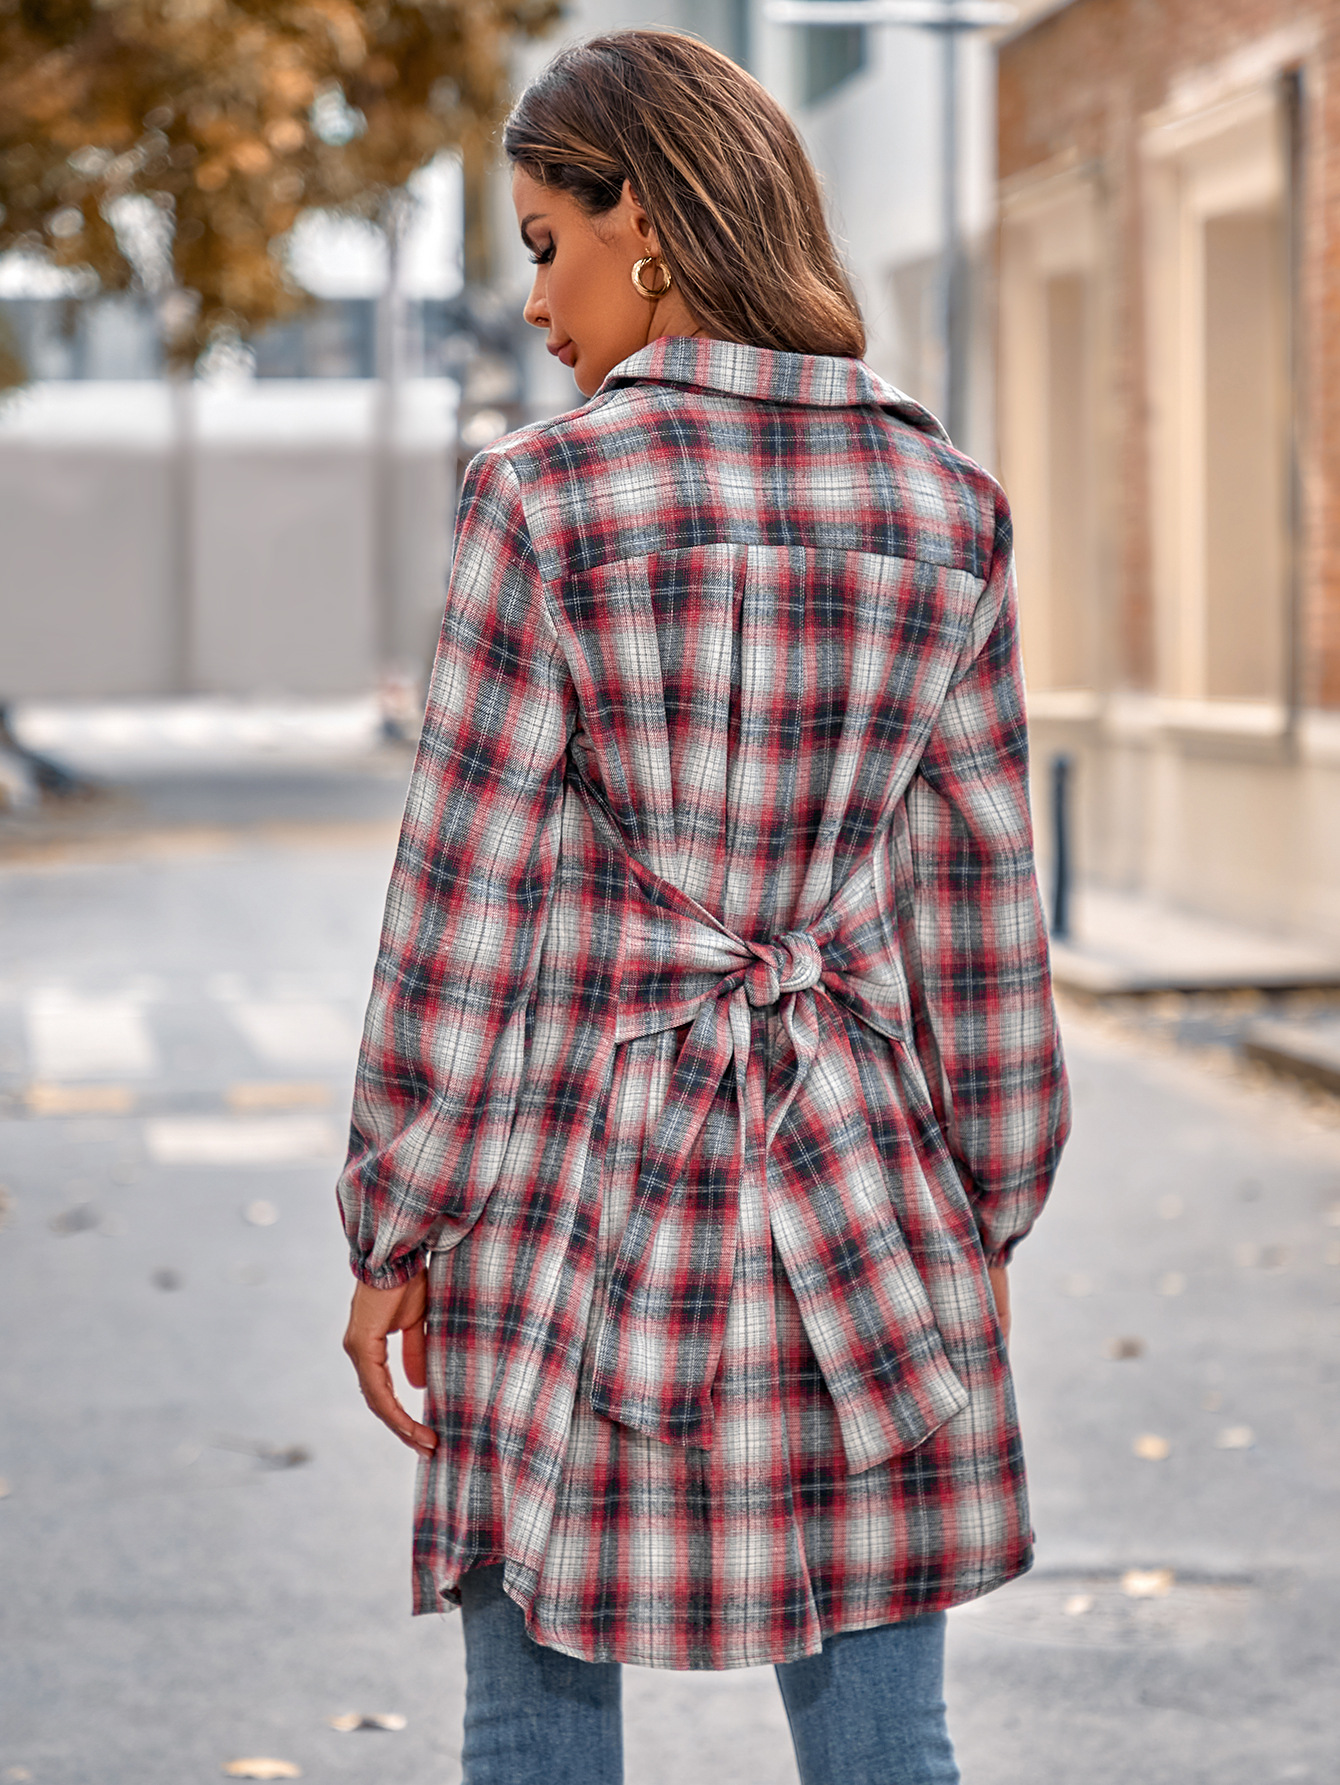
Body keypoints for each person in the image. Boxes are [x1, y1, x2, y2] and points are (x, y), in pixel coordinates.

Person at [337, 28, 1071, 1785]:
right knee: (890, 1736)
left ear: (647, 223)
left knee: (535, 1717)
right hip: (864, 1192)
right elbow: (982, 908)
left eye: (545, 244)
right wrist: (985, 1210)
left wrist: (396, 1215)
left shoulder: (543, 498)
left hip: (572, 1193)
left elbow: (464, 908)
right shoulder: (945, 507)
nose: (535, 302)